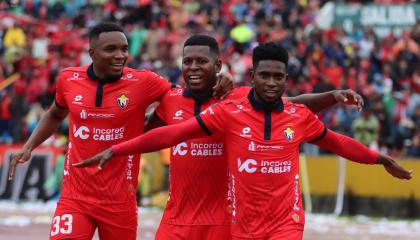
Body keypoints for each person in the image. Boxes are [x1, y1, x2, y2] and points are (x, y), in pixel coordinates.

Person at [74, 42, 413, 239]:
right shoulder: (229, 111)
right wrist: (118, 148)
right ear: (252, 78)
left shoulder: (297, 117)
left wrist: (378, 159)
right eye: (264, 76)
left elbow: (337, 142)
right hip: (239, 224)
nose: (271, 83)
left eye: (278, 77)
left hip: (285, 221)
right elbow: (171, 133)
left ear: (284, 79)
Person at [6, 22, 231, 240]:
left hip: (120, 201)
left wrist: (220, 80)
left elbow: (186, 94)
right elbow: (55, 113)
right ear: (92, 53)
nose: (120, 55)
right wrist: (28, 146)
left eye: (124, 49)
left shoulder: (144, 81)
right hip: (75, 195)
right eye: (111, 49)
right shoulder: (69, 78)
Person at [143, 35, 365, 240]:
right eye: (187, 61)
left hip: (223, 221)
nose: (193, 68)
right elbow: (144, 134)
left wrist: (331, 97)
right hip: (176, 219)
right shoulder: (170, 100)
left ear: (217, 66)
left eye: (201, 61)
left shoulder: (236, 98)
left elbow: (292, 104)